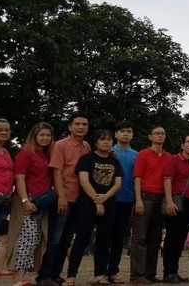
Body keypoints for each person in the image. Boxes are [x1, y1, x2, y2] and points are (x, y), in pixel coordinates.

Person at [37, 113, 90, 286]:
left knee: (66, 240)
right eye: (77, 124)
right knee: (54, 239)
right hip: (64, 197)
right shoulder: (60, 145)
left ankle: (55, 275)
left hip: (80, 200)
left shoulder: (87, 147)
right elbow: (56, 171)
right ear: (70, 127)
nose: (81, 127)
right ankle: (44, 276)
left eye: (84, 124)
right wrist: (61, 196)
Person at [66, 130, 123, 286]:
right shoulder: (86, 159)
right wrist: (97, 201)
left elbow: (118, 183)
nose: (106, 142)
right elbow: (84, 181)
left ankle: (100, 274)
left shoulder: (114, 161)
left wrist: (105, 197)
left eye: (109, 139)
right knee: (82, 238)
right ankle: (71, 275)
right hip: (87, 203)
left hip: (109, 204)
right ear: (95, 142)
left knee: (104, 240)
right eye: (102, 139)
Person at [8, 122, 54, 286]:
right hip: (27, 200)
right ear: (34, 135)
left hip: (41, 202)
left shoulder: (46, 154)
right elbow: (19, 178)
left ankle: (22, 276)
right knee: (25, 238)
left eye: (48, 135)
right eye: (42, 134)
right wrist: (24, 200)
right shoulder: (26, 153)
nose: (45, 138)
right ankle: (17, 278)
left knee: (33, 239)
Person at [130, 126, 171, 283]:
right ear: (150, 136)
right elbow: (138, 177)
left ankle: (150, 273)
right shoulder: (143, 154)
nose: (160, 136)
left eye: (162, 133)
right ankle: (137, 275)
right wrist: (138, 199)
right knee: (139, 238)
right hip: (145, 197)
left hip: (160, 199)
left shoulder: (168, 157)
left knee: (154, 239)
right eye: (157, 133)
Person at [162, 135, 189, 283]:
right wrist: (170, 201)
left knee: (181, 238)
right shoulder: (174, 159)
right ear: (182, 145)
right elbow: (167, 179)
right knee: (172, 237)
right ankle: (168, 272)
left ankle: (174, 271)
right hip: (177, 201)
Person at [107, 120, 137, 284]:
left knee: (119, 238)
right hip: (108, 200)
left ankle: (113, 272)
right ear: (116, 134)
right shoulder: (109, 151)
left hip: (127, 200)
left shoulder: (136, 155)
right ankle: (101, 271)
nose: (126, 134)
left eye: (129, 131)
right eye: (123, 131)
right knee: (105, 237)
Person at [0, 118, 13, 236]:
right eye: (0, 130)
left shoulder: (6, 151)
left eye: (6, 130)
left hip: (4, 198)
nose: (4, 132)